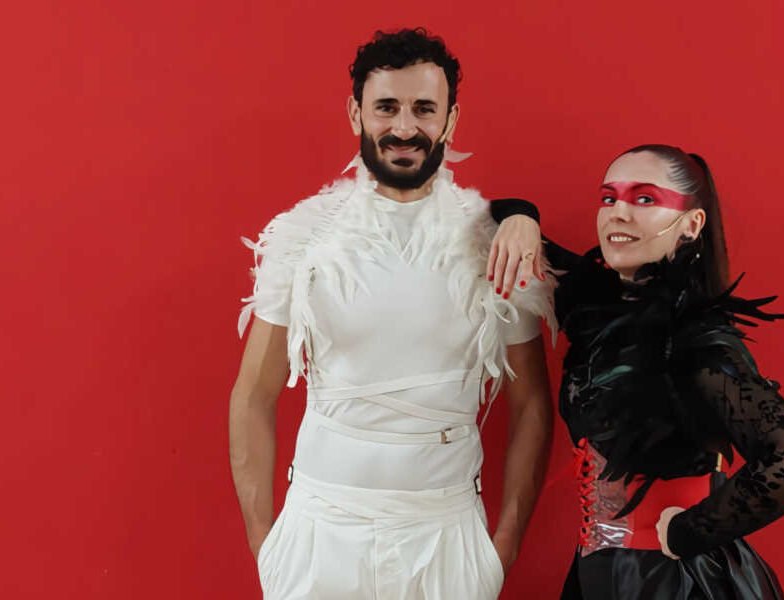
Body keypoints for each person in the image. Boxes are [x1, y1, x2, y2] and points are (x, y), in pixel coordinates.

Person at [229, 28, 556, 600]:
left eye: (424, 108)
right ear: (356, 113)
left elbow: (531, 404)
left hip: (447, 537)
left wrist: (499, 551)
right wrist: (268, 549)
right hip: (319, 534)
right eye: (387, 107)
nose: (404, 128)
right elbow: (254, 393)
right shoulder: (303, 238)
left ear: (450, 121)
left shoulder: (496, 246)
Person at [488, 144, 784, 598]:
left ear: (691, 224)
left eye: (645, 199)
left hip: (673, 583)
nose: (619, 212)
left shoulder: (694, 342)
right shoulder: (596, 306)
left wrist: (690, 531)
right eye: (609, 197)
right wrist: (522, 216)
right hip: (599, 577)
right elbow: (498, 224)